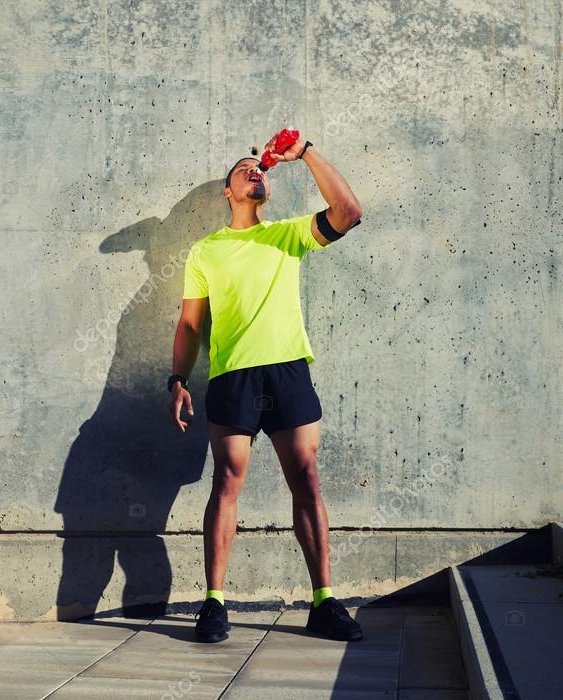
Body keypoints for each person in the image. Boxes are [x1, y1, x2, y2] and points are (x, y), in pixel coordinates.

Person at [167, 132, 364, 643]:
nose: (257, 172)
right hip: (233, 377)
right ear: (227, 192)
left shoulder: (288, 235)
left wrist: (306, 154)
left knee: (306, 479)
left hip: (288, 371)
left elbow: (348, 210)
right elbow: (190, 325)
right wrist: (178, 379)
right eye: (244, 169)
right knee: (227, 482)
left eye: (262, 169)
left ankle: (324, 602)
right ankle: (214, 603)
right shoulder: (205, 251)